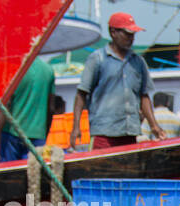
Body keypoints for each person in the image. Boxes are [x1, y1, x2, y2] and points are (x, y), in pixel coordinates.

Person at [70, 12, 165, 151]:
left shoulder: (138, 62)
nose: (131, 38)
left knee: (128, 172)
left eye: (133, 34)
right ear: (113, 32)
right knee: (103, 171)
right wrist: (76, 127)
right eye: (127, 34)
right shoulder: (97, 59)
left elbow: (144, 96)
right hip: (104, 134)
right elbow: (81, 94)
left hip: (129, 133)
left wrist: (154, 126)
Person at [0, 56, 55, 162]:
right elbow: (51, 108)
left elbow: (5, 106)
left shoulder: (14, 69)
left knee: (10, 175)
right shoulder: (48, 70)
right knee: (32, 174)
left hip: (12, 134)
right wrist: (44, 134)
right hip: (37, 135)